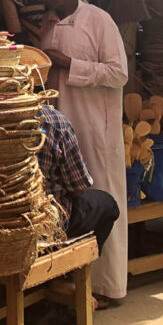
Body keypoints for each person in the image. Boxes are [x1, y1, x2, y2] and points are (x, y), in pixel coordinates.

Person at [38, 0, 129, 307]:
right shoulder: (48, 22)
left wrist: (68, 64)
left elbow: (118, 73)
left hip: (95, 128)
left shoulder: (99, 21)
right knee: (69, 205)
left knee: (104, 199)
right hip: (61, 131)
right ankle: (69, 282)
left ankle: (108, 286)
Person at [37, 103, 120, 249]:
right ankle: (73, 265)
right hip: (44, 224)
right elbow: (78, 188)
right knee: (108, 204)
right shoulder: (53, 120)